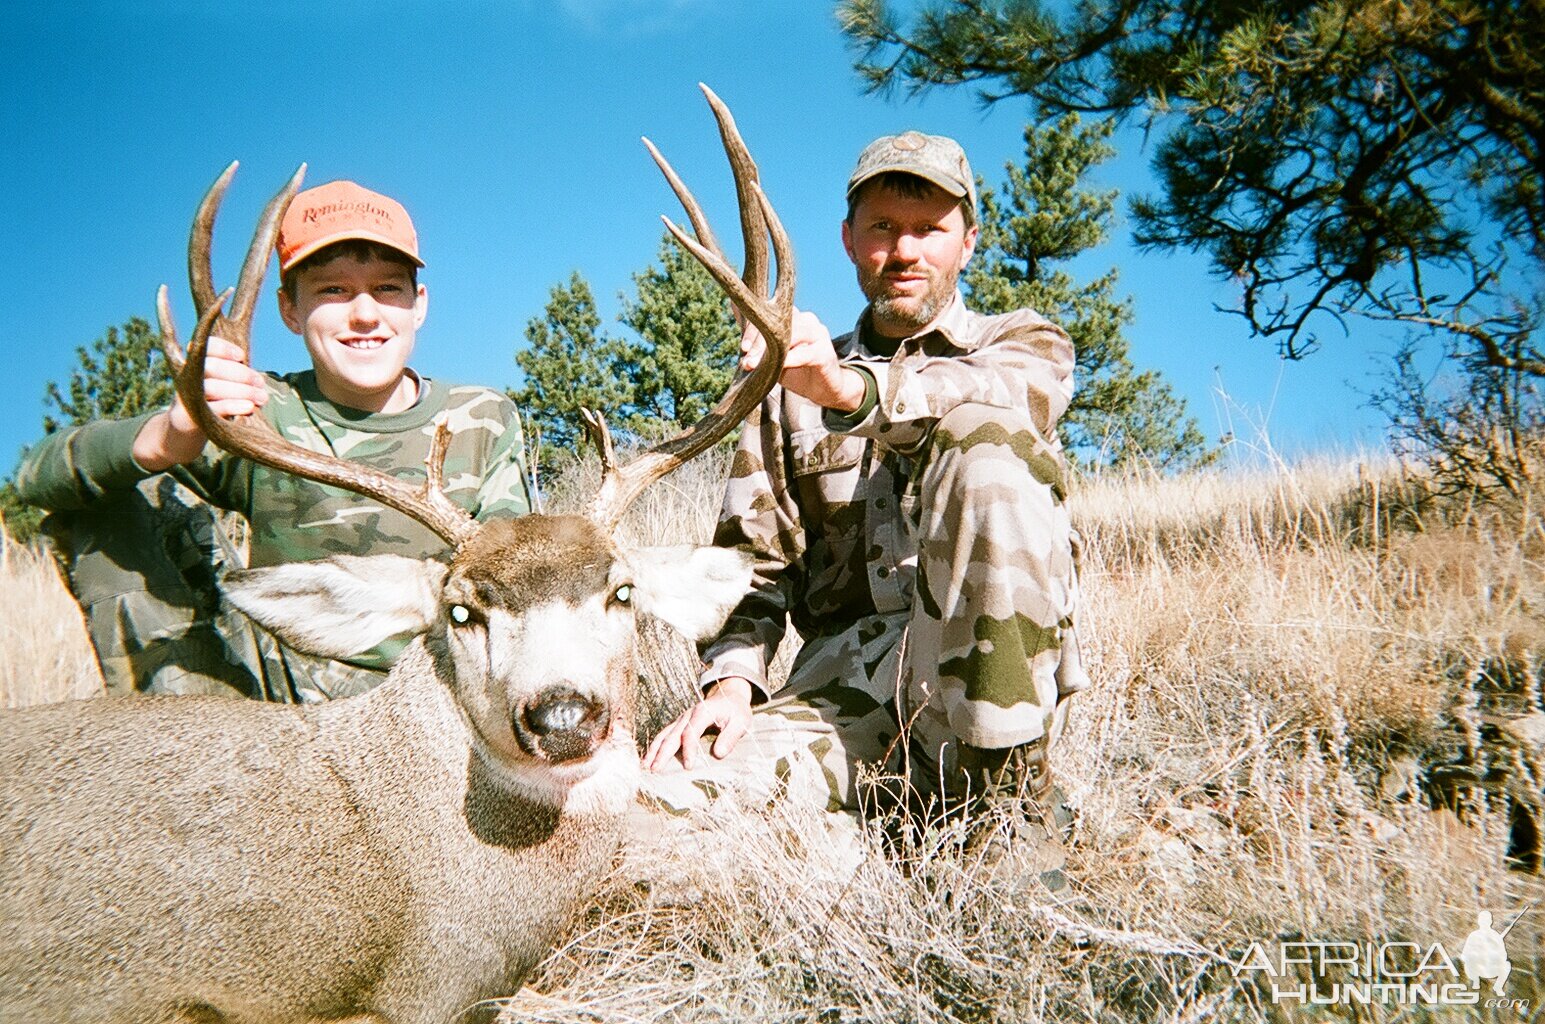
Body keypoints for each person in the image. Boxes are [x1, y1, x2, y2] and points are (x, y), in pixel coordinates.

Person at [643, 130, 1088, 886]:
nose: (904, 249)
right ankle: (869, 823)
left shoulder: (1024, 343)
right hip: (841, 689)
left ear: (968, 241)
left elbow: (997, 402)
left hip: (975, 682)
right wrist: (731, 684)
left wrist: (850, 392)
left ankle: (1007, 802)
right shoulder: (788, 384)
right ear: (849, 240)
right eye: (882, 227)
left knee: (984, 441)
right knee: (667, 807)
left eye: (929, 229)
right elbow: (755, 560)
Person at [16, 178, 534, 702]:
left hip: (443, 697)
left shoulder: (481, 418)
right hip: (277, 705)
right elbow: (37, 478)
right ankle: (182, 735)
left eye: (387, 288)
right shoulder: (252, 409)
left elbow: (521, 585)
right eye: (333, 289)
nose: (365, 314)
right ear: (289, 309)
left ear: (418, 304)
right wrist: (169, 438)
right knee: (121, 491)